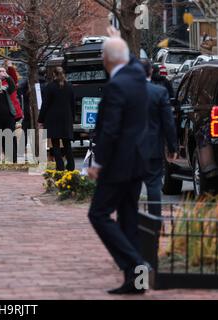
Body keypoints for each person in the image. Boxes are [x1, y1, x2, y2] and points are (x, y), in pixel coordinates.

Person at [87, 29, 150, 295]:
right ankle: (135, 281)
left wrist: (97, 163)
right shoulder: (137, 76)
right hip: (137, 162)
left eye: (103, 54)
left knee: (98, 214)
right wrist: (119, 40)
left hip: (117, 164)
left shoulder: (116, 86)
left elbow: (110, 130)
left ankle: (135, 263)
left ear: (108, 59)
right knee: (128, 219)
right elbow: (132, 60)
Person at [141, 60, 178, 216]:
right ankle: (154, 221)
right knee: (154, 184)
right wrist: (172, 147)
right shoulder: (159, 92)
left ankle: (128, 222)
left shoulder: (123, 91)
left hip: (128, 148)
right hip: (152, 146)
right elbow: (168, 123)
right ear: (151, 72)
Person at [38, 67, 75, 171]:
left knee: (55, 144)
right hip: (66, 119)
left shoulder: (50, 87)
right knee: (67, 144)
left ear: (54, 74)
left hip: (53, 119)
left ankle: (60, 166)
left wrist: (40, 120)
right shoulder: (70, 86)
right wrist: (72, 117)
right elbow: (72, 104)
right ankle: (71, 166)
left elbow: (45, 105)